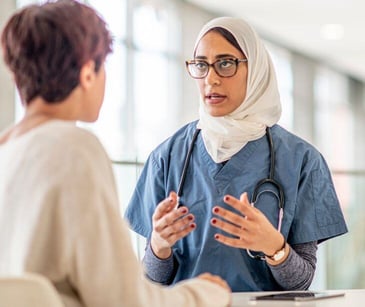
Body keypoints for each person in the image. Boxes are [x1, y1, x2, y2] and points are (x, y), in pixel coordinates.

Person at [0, 1, 231, 306]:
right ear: (87, 72)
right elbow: (125, 301)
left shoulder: (7, 149)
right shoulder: (73, 148)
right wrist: (205, 294)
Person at [124, 16, 348, 292]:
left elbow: (301, 282)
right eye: (201, 65)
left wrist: (274, 247)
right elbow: (150, 282)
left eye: (226, 63)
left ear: (255, 70)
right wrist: (159, 246)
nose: (211, 79)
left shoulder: (302, 161)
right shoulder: (167, 157)